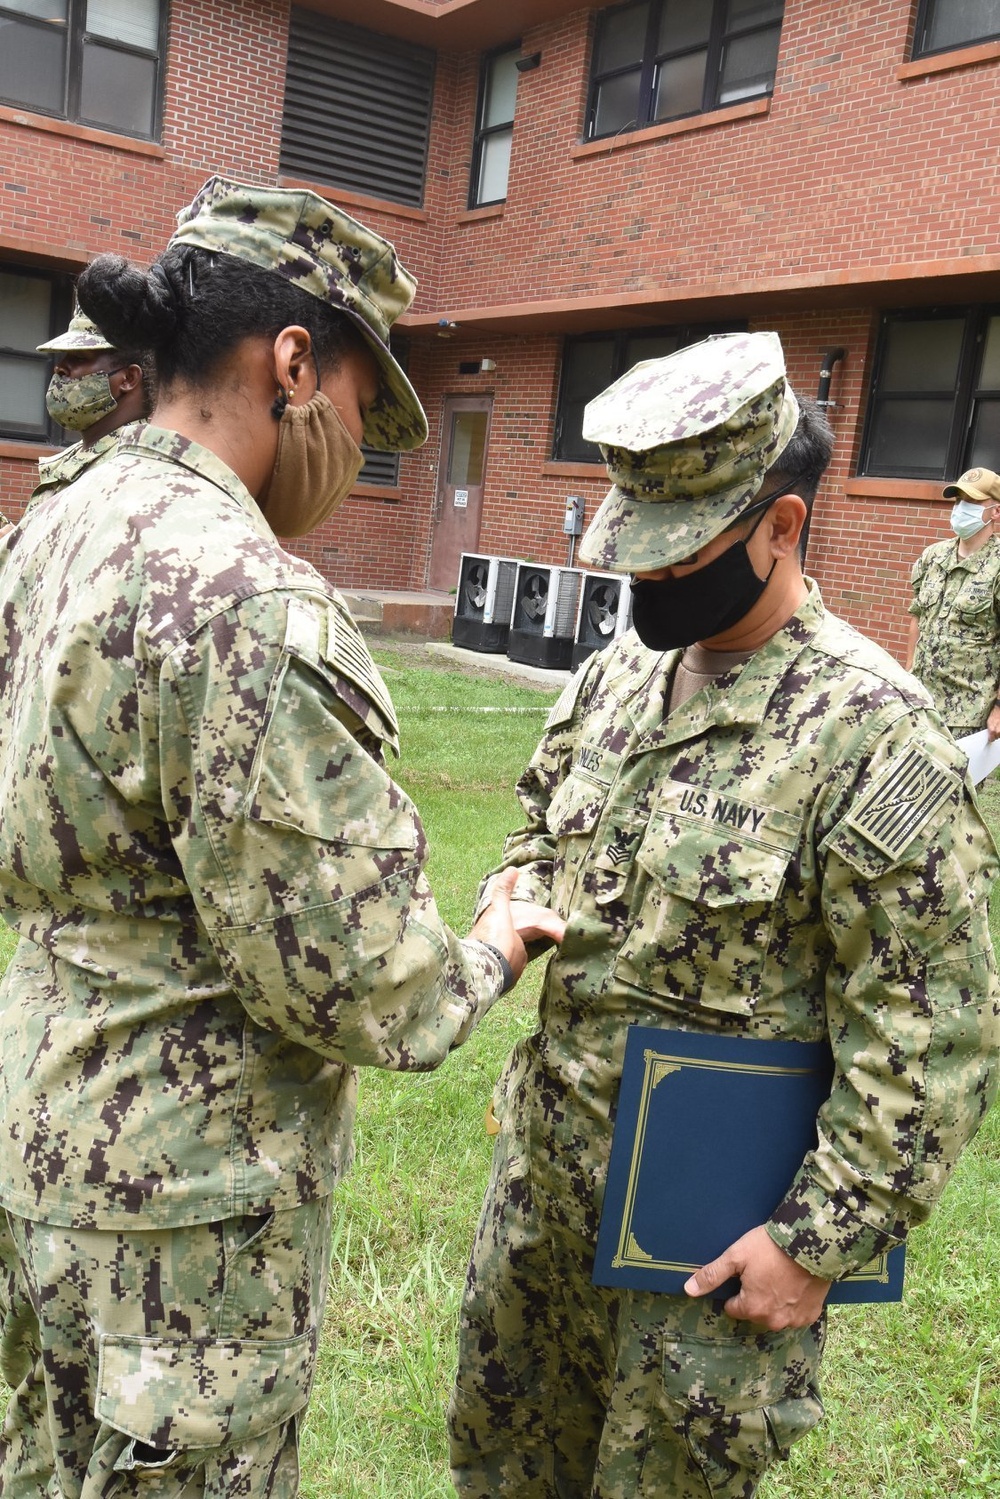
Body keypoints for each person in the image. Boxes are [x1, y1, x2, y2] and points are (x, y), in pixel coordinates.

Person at [0, 176, 562, 1499]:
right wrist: (486, 945)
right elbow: (363, 979)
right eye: (370, 410)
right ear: (294, 361)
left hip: (40, 1149)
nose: (365, 451)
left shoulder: (47, 532)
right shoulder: (248, 602)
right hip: (185, 1230)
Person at [448, 331, 1000, 1498]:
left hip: (707, 1255)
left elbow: (929, 1032)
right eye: (632, 555)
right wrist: (516, 881)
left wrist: (812, 1244)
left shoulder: (871, 732)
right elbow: (542, 815)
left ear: (781, 526)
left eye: (677, 555)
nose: (646, 584)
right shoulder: (619, 673)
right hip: (543, 1205)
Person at [907, 466, 1000, 741]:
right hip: (920, 702)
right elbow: (917, 617)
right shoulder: (933, 556)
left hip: (968, 715)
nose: (961, 509)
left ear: (996, 511)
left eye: (972, 502)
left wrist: (999, 708)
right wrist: (909, 674)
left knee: (956, 784)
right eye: (958, 501)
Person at [32, 307, 153, 502]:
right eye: (64, 356)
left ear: (128, 378)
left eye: (80, 357)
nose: (60, 367)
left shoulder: (138, 468)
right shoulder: (81, 456)